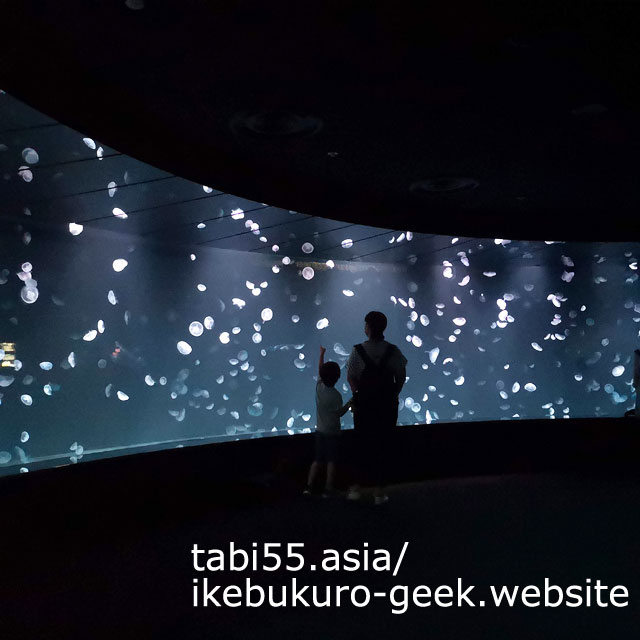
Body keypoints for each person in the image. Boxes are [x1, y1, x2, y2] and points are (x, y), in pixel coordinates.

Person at [346, 311, 407, 505]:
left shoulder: (357, 350)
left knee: (362, 444)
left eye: (365, 324)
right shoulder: (394, 351)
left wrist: (358, 394)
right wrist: (393, 394)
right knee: (383, 444)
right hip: (387, 406)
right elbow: (401, 377)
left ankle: (356, 486)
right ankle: (379, 491)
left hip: (364, 406)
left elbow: (350, 376)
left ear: (368, 328)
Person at [304, 346, 352, 497]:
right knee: (331, 461)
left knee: (317, 460)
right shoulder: (336, 396)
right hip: (332, 433)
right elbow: (339, 413)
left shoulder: (319, 387)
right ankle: (328, 488)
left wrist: (321, 354)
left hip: (320, 431)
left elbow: (320, 369)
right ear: (338, 378)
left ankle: (309, 487)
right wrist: (350, 403)